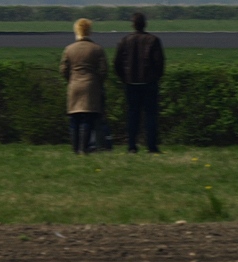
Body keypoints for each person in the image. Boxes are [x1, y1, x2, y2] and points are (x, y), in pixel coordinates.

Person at [114, 11, 165, 154]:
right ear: (145, 24)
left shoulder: (124, 41)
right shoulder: (153, 40)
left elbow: (117, 63)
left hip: (131, 83)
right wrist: (155, 77)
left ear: (132, 25)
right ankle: (152, 146)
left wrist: (124, 78)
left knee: (132, 115)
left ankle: (131, 146)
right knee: (150, 115)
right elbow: (159, 63)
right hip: (149, 83)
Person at [60, 18, 108, 155]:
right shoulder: (97, 49)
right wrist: (97, 82)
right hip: (91, 86)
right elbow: (104, 70)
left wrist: (71, 79)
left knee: (74, 119)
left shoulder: (69, 49)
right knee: (87, 118)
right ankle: (84, 147)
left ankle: (75, 149)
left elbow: (63, 69)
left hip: (74, 86)